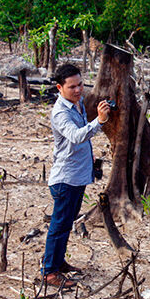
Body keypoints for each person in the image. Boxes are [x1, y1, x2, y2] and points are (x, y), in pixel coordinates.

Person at [42, 64, 111, 287]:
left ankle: (58, 262)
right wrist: (99, 121)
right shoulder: (60, 112)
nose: (78, 90)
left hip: (78, 175)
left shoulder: (78, 104)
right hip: (66, 178)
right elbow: (76, 136)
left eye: (80, 84)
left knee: (67, 222)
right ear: (59, 87)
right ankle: (49, 272)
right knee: (59, 224)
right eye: (72, 87)